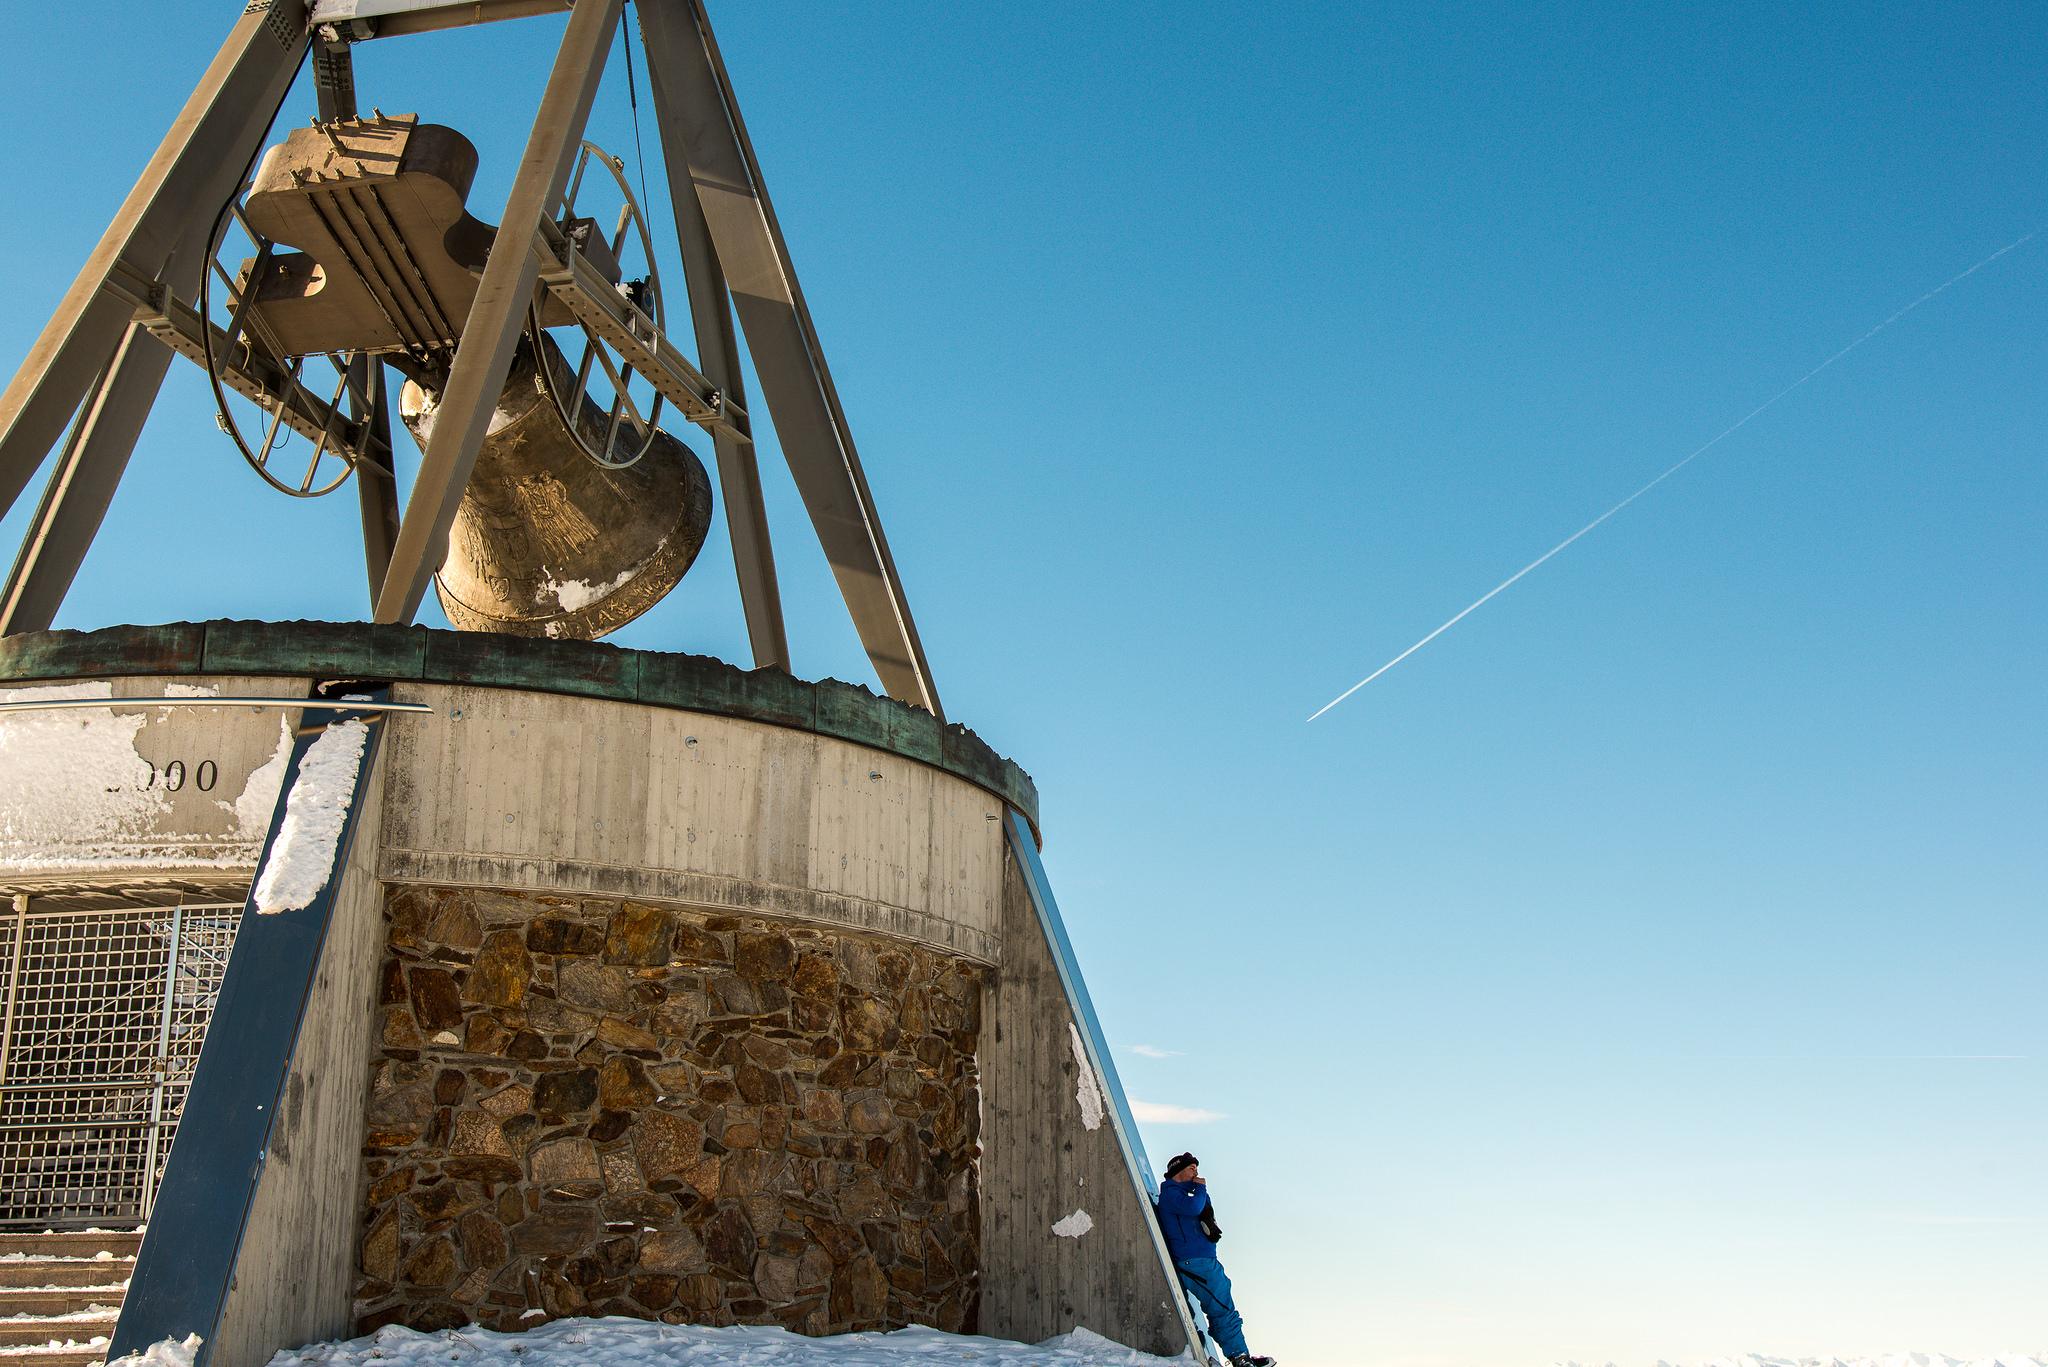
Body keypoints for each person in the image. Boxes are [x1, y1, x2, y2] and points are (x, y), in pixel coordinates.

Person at [1157, 1152, 1276, 1367]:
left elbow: (1204, 1209)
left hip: (1203, 1261)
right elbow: (1194, 1208)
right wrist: (1200, 1188)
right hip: (1194, 1261)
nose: (1196, 1172)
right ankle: (1240, 1358)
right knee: (1222, 1308)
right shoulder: (1171, 1193)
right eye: (1191, 1168)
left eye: (1196, 1168)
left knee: (1222, 1306)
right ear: (1177, 1171)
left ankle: (1240, 1356)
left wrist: (1199, 1190)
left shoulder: (1186, 1193)